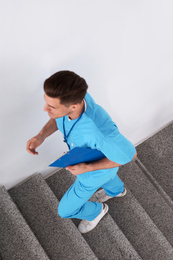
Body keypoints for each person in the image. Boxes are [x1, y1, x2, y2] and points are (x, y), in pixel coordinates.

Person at [26, 71, 137, 233]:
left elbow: (130, 155)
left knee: (64, 211)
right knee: (111, 175)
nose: (45, 109)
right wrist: (41, 135)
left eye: (51, 107)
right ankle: (118, 191)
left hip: (93, 174)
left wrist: (86, 168)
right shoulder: (76, 99)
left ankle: (97, 211)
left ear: (73, 106)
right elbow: (59, 117)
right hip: (105, 162)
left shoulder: (99, 130)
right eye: (46, 103)